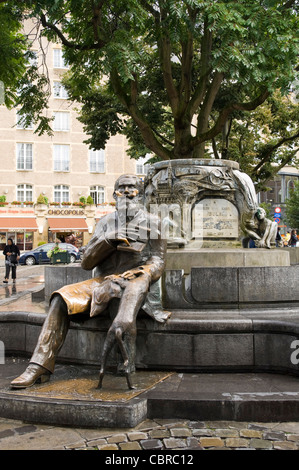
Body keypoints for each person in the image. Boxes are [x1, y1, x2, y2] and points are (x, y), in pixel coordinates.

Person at [10, 174, 170, 389]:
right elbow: (86, 262)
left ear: (139, 194)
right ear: (114, 195)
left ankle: (125, 365)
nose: (126, 192)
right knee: (59, 298)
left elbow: (159, 260)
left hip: (136, 283)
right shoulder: (105, 222)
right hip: (101, 282)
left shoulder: (154, 221)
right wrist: (108, 240)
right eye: (121, 188)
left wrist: (143, 271)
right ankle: (39, 366)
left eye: (131, 188)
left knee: (118, 295)